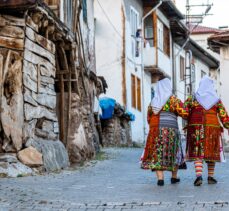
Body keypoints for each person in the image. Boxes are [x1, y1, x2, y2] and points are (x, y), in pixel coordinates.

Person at [141, 78, 188, 186]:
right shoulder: (173, 100)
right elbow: (185, 113)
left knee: (157, 153)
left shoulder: (153, 102)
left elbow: (149, 117)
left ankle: (160, 179)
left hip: (156, 130)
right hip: (171, 131)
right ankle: (174, 177)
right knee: (174, 153)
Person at [184, 76, 229, 186]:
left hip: (196, 127)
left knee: (198, 151)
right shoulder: (216, 100)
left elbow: (184, 112)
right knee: (211, 152)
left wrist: (190, 118)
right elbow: (224, 116)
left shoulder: (193, 98)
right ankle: (210, 177)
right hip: (212, 128)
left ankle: (199, 176)